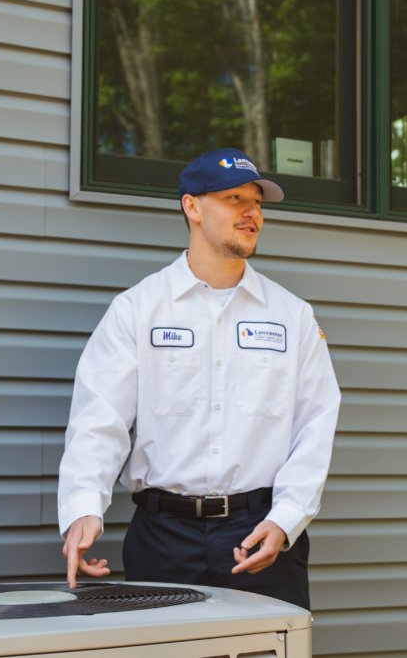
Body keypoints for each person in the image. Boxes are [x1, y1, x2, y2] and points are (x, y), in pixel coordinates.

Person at [57, 147, 341, 610]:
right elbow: (98, 419)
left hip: (258, 536)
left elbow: (315, 427)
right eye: (234, 199)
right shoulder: (138, 310)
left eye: (258, 202)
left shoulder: (293, 317)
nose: (252, 213)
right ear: (192, 206)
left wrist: (287, 519)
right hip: (161, 538)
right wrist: (83, 508)